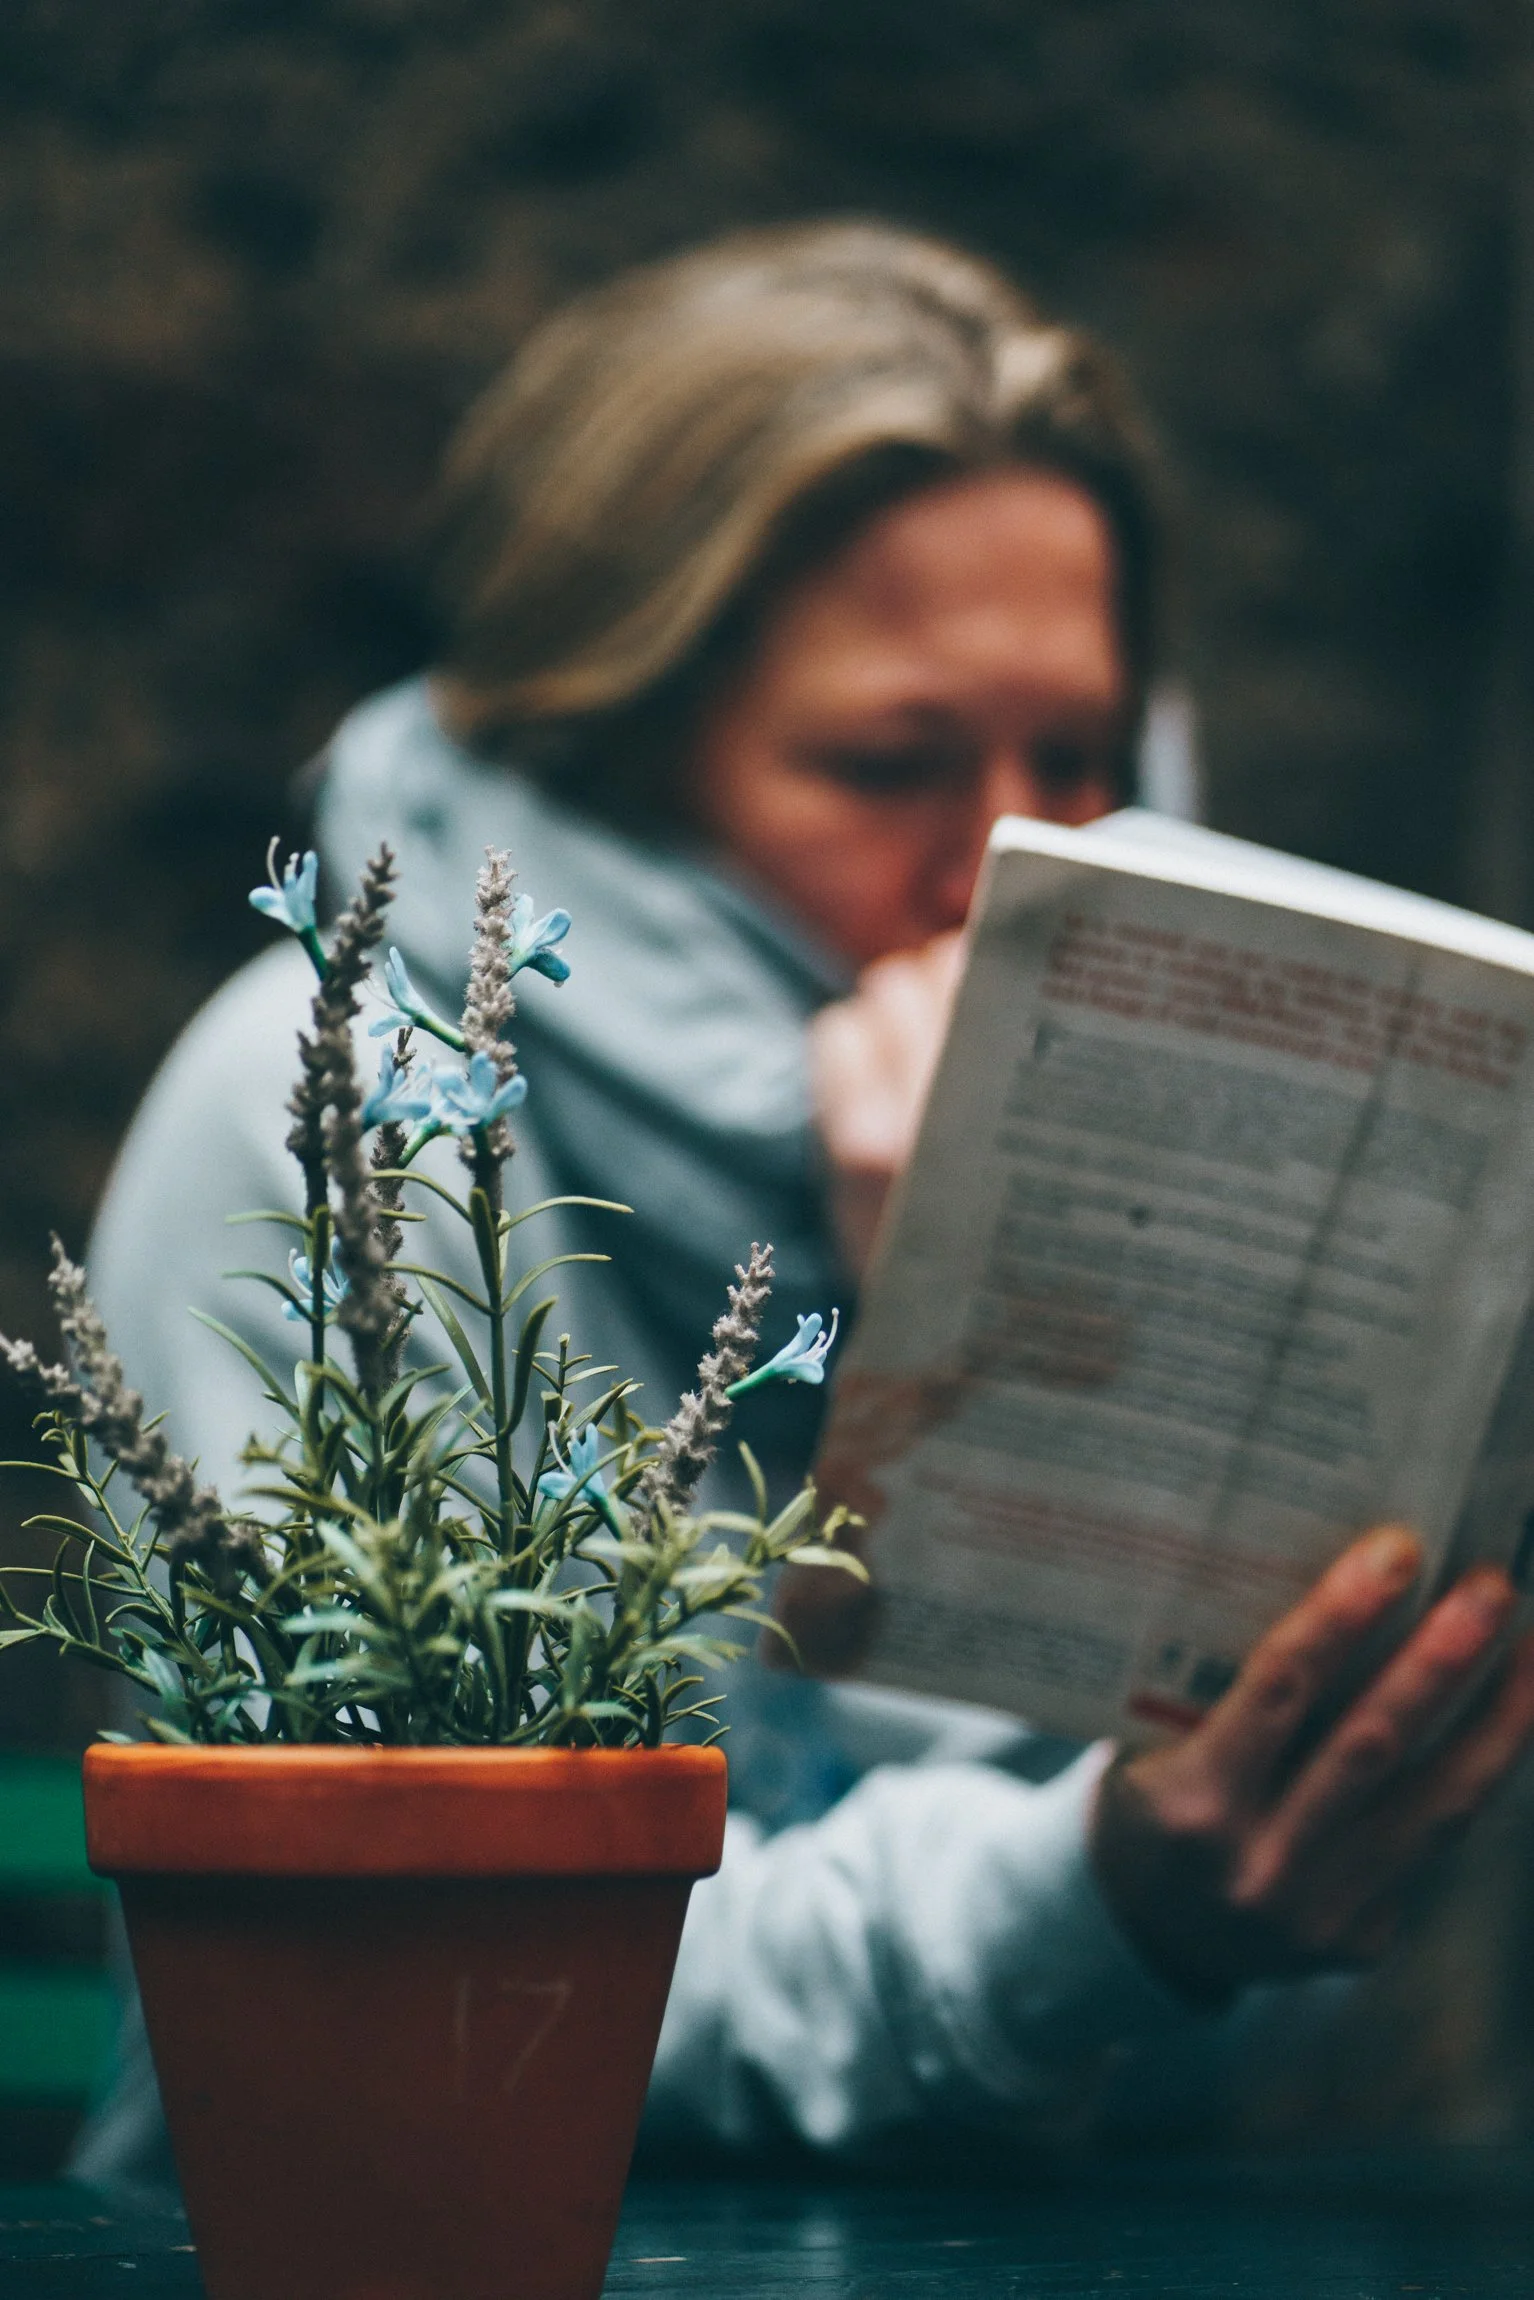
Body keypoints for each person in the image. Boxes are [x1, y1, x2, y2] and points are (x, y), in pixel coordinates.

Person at [71, 222, 1534, 2180]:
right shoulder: (335, 1116)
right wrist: (946, 1373)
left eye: (1082, 758)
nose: (1012, 856)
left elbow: (1250, 2004)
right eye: (886, 762)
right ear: (606, 766)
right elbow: (435, 2002)